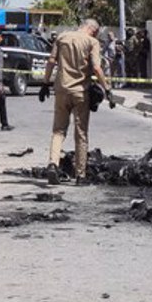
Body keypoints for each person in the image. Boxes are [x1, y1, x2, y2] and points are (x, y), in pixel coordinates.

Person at [41, 19, 111, 185]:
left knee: (58, 130)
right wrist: (107, 89)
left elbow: (51, 61)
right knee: (81, 134)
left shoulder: (62, 37)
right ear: (93, 30)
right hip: (80, 93)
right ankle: (80, 175)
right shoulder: (92, 42)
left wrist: (45, 83)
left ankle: (52, 164)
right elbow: (96, 68)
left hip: (61, 90)